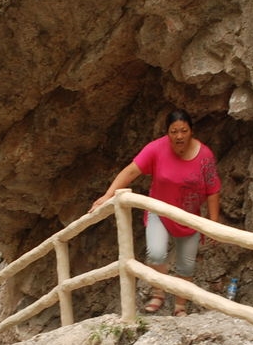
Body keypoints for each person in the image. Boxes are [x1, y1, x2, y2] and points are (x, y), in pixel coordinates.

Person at [90, 109, 221, 316]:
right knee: (156, 253)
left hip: (189, 216)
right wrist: (108, 195)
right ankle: (158, 293)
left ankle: (180, 306)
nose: (179, 136)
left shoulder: (205, 156)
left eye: (184, 131)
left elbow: (213, 190)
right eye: (174, 131)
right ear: (167, 133)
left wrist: (214, 223)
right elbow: (131, 171)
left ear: (191, 131)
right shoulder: (156, 149)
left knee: (186, 266)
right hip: (159, 211)